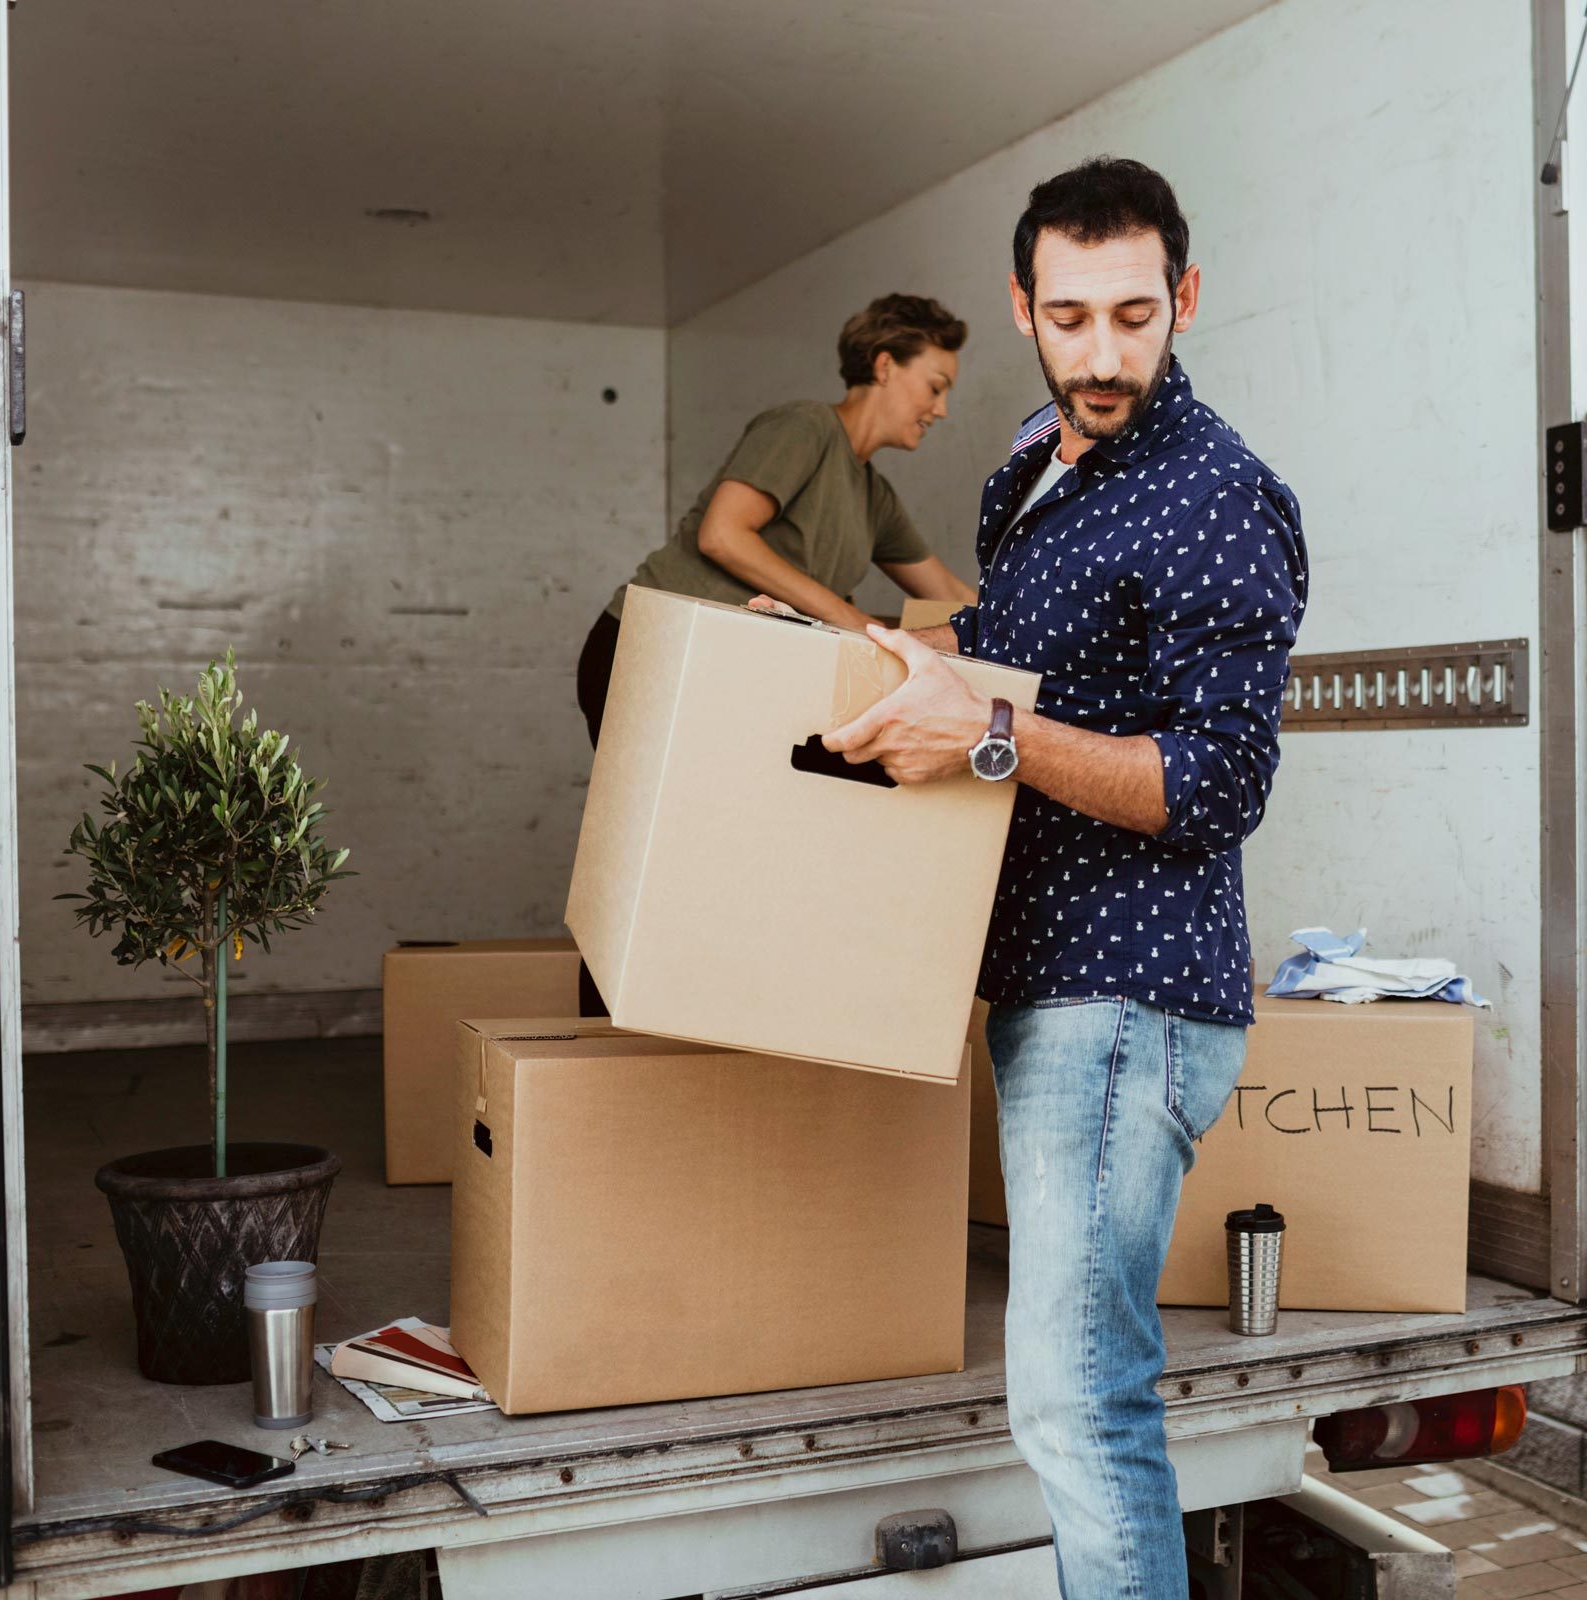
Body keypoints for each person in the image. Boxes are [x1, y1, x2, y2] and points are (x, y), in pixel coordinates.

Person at [821, 159, 1308, 1595]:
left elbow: (1217, 787)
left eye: (1138, 317)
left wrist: (980, 728)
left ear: (1188, 301)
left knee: (1079, 1401)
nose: (1106, 356)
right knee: (1071, 1395)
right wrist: (943, 675)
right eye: (1074, 317)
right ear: (1023, 306)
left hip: (1130, 993)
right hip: (1045, 977)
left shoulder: (1220, 499)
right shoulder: (1030, 464)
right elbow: (1033, 699)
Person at [575, 293, 980, 746]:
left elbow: (949, 596)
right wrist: (856, 625)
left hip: (726, 667)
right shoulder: (805, 426)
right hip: (648, 649)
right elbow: (722, 535)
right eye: (936, 386)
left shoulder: (873, 495)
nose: (941, 409)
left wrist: (1035, 632)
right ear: (885, 366)